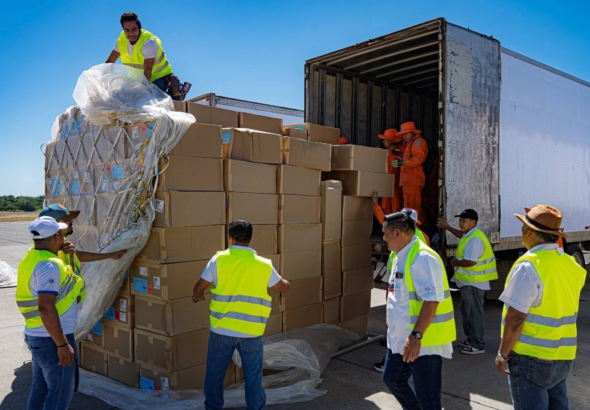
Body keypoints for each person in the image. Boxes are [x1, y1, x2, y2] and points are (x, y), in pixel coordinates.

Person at [192, 220, 291, 410]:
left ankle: (213, 408)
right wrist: (285, 281)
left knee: (214, 375)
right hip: (250, 333)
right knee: (253, 378)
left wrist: (197, 295)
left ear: (230, 238)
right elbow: (284, 287)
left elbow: (199, 287)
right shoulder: (263, 264)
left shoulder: (218, 260)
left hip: (221, 331)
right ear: (250, 239)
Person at [495, 205, 585, 409]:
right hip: (563, 356)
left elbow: (515, 318)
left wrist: (503, 354)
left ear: (528, 231)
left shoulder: (528, 266)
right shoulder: (571, 265)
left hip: (531, 358)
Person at [381, 212, 456, 410]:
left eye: (385, 233)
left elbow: (432, 301)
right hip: (401, 339)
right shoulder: (400, 255)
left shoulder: (423, 257)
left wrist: (416, 335)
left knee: (428, 398)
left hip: (423, 343)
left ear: (397, 233)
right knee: (392, 378)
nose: (383, 238)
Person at [16, 217, 86, 410]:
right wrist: (62, 344)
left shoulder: (31, 257)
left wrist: (70, 257)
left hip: (38, 334)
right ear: (56, 237)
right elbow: (45, 307)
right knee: (60, 394)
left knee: (40, 390)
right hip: (53, 338)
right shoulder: (49, 265)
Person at [437, 209, 497, 355]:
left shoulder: (475, 240)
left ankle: (477, 344)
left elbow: (470, 262)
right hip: (469, 282)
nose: (461, 223)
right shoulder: (471, 235)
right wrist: (447, 227)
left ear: (473, 222)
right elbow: (461, 235)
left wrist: (454, 263)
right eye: (460, 220)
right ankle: (471, 340)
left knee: (474, 314)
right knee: (467, 313)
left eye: (464, 221)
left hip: (474, 283)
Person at [39, 204, 127, 274]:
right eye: (66, 220)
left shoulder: (60, 243)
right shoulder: (46, 252)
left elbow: (79, 256)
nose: (71, 221)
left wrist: (110, 255)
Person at [105, 12, 176, 97]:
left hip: (158, 77)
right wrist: (101, 80)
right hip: (139, 80)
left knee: (151, 98)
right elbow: (110, 62)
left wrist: (141, 93)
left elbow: (147, 71)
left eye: (134, 29)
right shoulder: (121, 41)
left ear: (139, 27)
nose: (131, 33)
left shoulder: (148, 42)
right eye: (127, 30)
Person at [392, 122, 428, 225]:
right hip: (408, 181)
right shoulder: (410, 143)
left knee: (413, 208)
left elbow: (419, 159)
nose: (403, 136)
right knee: (409, 207)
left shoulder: (418, 142)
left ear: (412, 132)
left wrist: (404, 162)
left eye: (405, 133)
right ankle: (414, 228)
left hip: (413, 181)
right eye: (403, 134)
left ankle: (418, 229)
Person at [378, 128, 404, 214]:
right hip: (386, 184)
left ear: (391, 140)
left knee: (396, 207)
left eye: (385, 139)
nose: (383, 141)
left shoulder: (401, 151)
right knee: (386, 207)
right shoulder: (385, 152)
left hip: (396, 185)